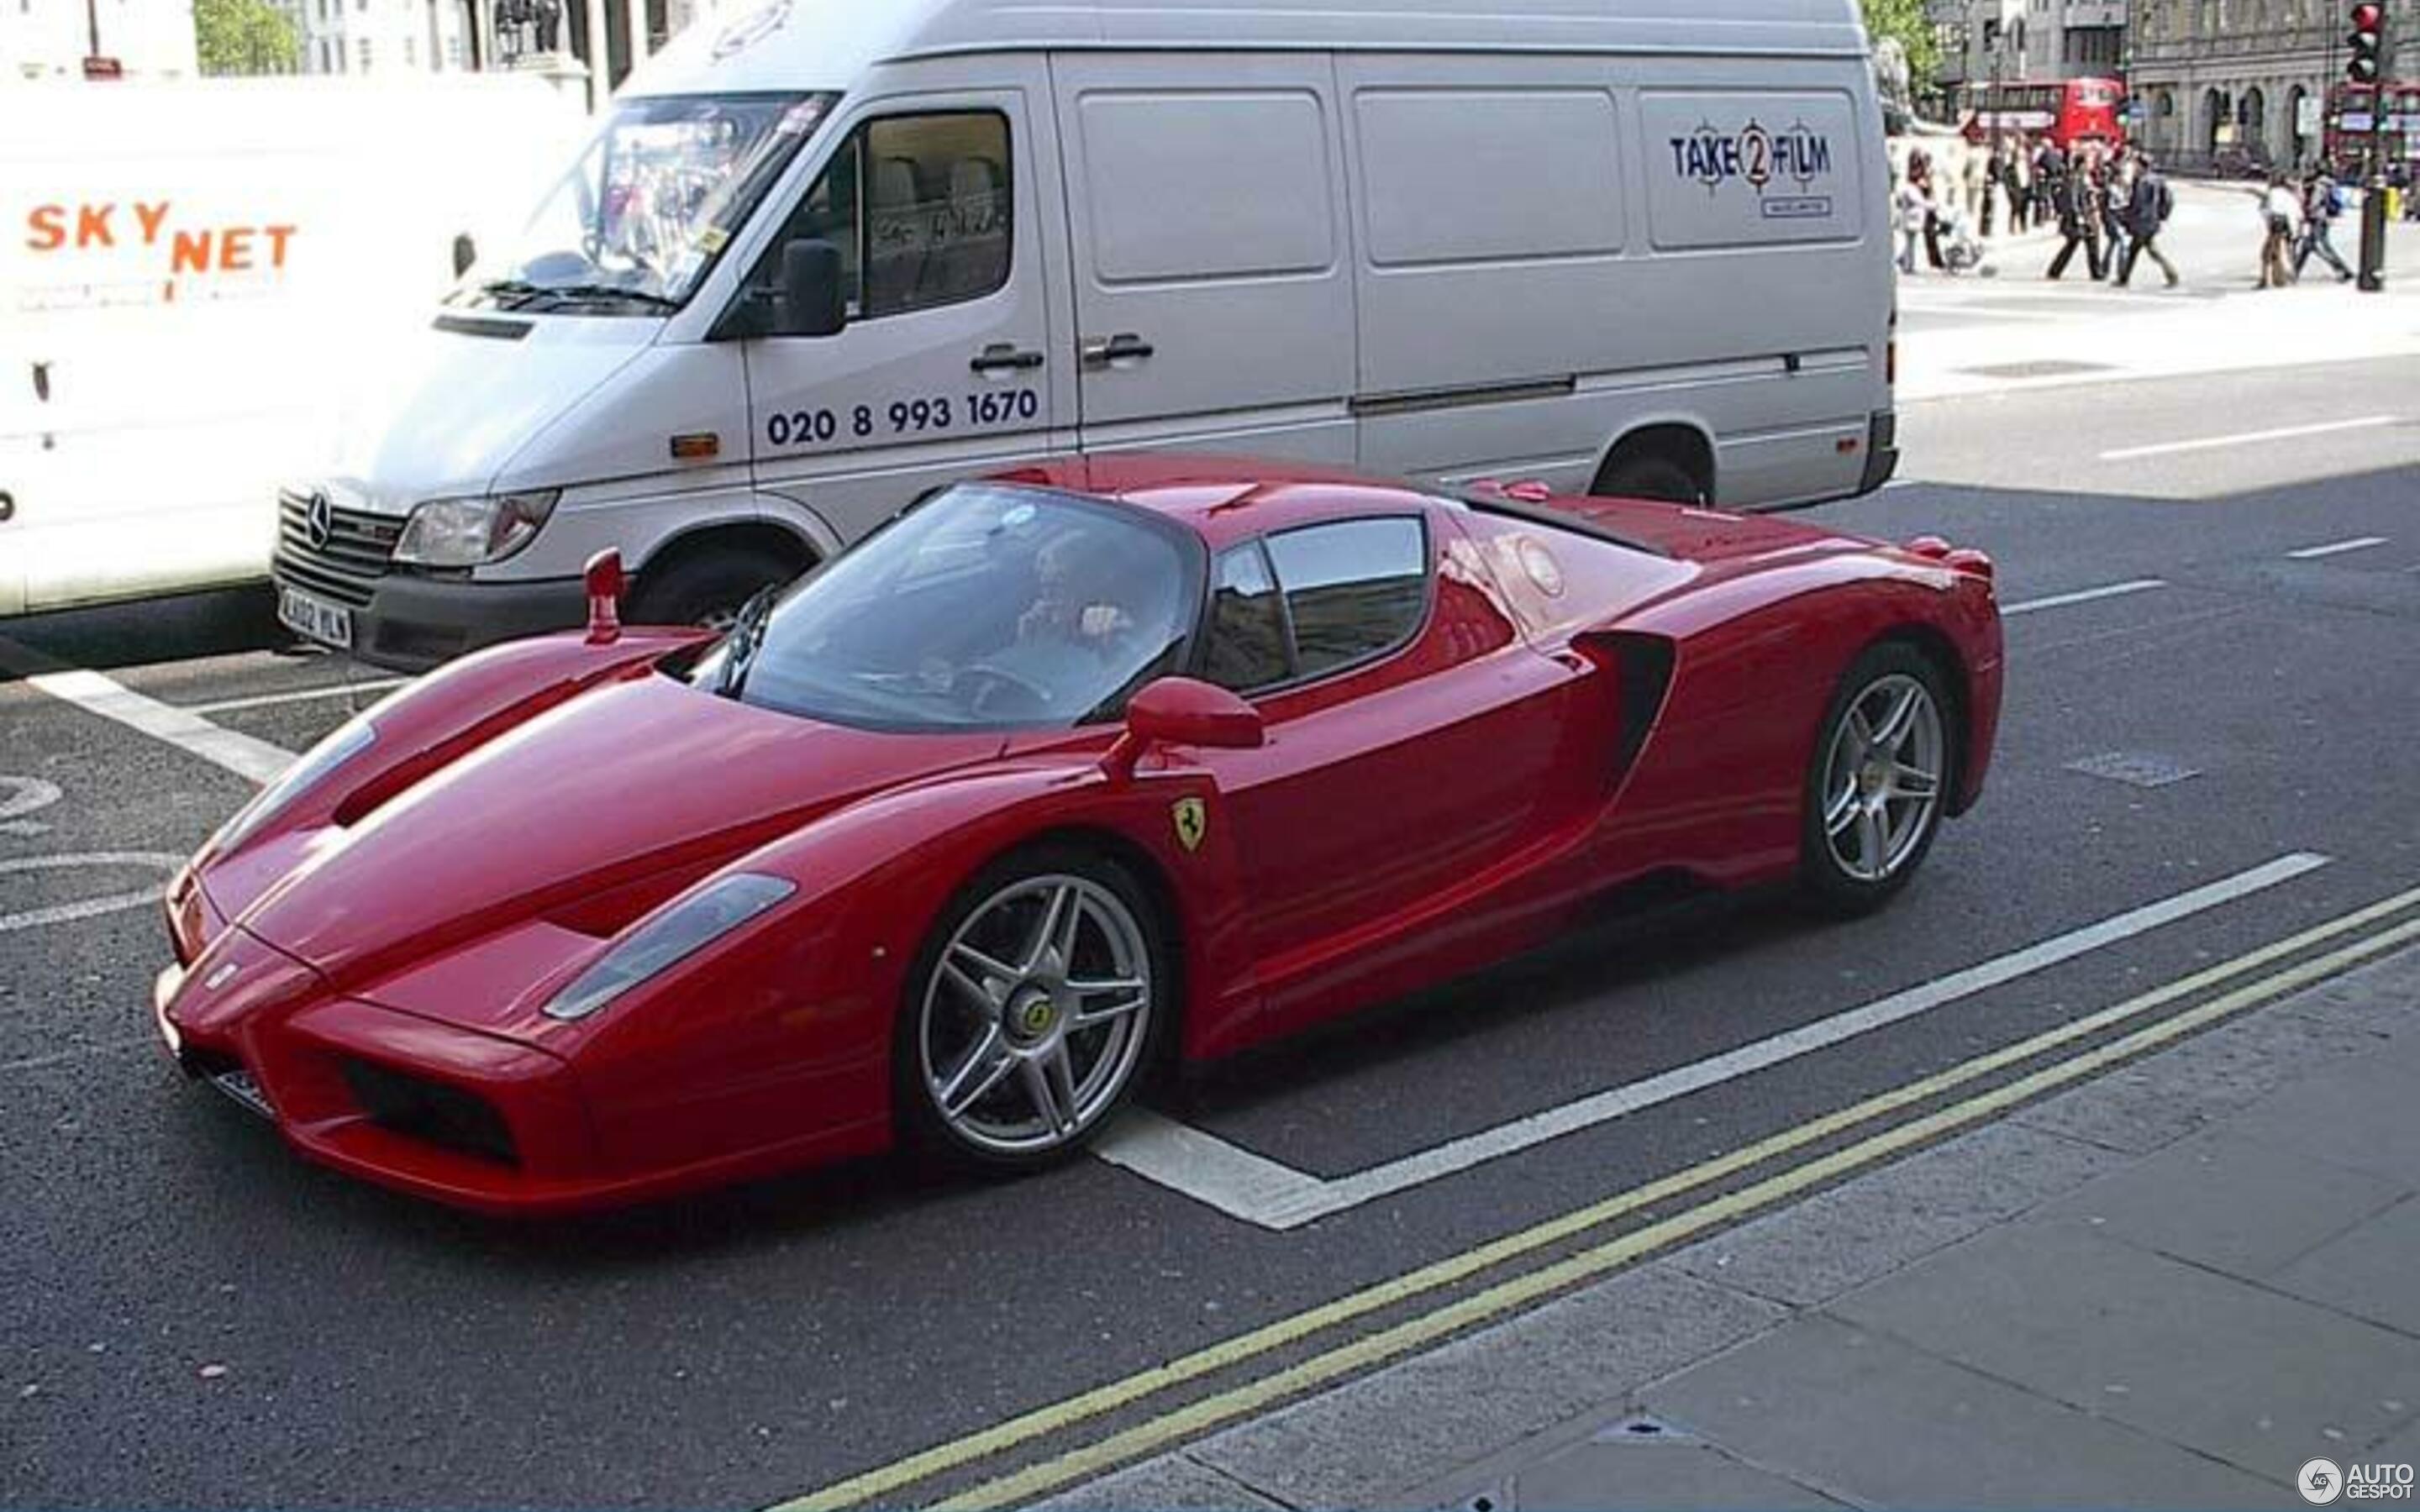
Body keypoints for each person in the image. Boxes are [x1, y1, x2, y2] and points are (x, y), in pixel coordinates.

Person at [2117, 152, 2181, 288]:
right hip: (2152, 221)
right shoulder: (2158, 180)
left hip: (2142, 222)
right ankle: (2124, 277)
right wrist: (2162, 215)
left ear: (2141, 165)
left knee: (2146, 251)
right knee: (2140, 250)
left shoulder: (2142, 181)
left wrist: (2126, 217)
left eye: (2136, 164)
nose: (2134, 167)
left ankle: (2172, 275)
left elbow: (2138, 204)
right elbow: (2168, 200)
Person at [2046, 147, 2103, 281]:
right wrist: (2078, 215)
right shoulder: (2074, 178)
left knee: (2088, 243)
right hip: (2080, 216)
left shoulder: (2084, 177)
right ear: (2081, 164)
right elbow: (2073, 198)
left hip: (2087, 214)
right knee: (2076, 243)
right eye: (2088, 162)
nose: (2090, 164)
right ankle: (2055, 270)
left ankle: (2095, 271)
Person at [2296, 167, 2356, 282]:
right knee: (2309, 246)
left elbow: (2315, 202)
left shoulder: (2319, 185)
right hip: (2323, 217)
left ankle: (2343, 269)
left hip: (2317, 217)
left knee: (2320, 246)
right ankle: (2295, 270)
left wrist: (2307, 211)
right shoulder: (2328, 183)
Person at [2257, 172, 2302, 289]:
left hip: (2277, 227)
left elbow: (2270, 210)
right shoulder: (2289, 195)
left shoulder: (2274, 194)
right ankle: (2283, 278)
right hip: (2289, 228)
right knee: (2284, 253)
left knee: (2268, 253)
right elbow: (2298, 213)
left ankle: (2271, 280)